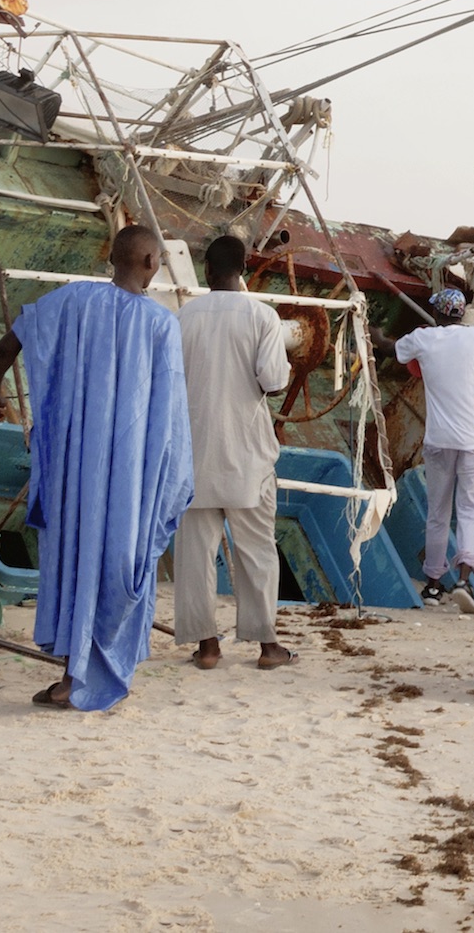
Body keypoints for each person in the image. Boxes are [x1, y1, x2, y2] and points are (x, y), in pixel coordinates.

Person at [0, 222, 193, 712]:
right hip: (128, 479)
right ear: (150, 263)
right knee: (119, 567)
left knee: (77, 561)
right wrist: (174, 478)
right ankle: (87, 675)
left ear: (114, 258)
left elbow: (8, 345)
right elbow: (171, 421)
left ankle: (73, 675)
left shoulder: (69, 303)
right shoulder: (162, 325)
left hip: (76, 474)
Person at [174, 232, 296, 671]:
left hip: (195, 453)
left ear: (207, 270)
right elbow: (274, 380)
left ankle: (207, 647)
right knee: (257, 552)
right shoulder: (262, 316)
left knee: (194, 553)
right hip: (248, 453)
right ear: (242, 269)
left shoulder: (184, 316)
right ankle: (267, 647)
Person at [394, 287, 474, 612]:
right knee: (471, 510)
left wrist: (375, 333)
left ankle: (433, 586)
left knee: (438, 514)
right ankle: (464, 578)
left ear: (437, 314)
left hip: (439, 442)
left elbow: (392, 350)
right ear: (462, 313)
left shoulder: (423, 339)